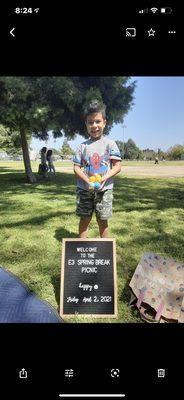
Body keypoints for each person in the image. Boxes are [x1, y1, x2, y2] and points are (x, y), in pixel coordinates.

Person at [73, 99, 122, 238]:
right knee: (84, 219)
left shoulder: (110, 144)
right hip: (84, 189)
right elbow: (76, 168)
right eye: (90, 122)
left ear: (104, 122)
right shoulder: (82, 146)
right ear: (86, 125)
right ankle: (82, 249)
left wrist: (104, 178)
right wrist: (87, 182)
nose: (94, 125)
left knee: (102, 220)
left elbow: (117, 166)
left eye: (98, 121)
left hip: (104, 190)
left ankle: (105, 252)